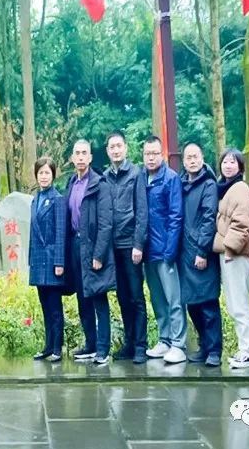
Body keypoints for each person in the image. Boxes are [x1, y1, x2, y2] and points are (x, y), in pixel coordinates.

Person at [66, 140, 114, 364]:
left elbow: (106, 223)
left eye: (84, 153)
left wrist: (99, 254)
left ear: (91, 157)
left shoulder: (99, 184)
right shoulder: (71, 183)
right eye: (77, 153)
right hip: (76, 246)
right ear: (72, 158)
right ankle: (90, 344)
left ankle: (103, 348)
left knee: (98, 297)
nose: (81, 157)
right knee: (82, 297)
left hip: (93, 247)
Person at [103, 131, 149, 364]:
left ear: (126, 148)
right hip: (113, 247)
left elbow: (142, 211)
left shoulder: (136, 173)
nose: (116, 150)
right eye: (112, 147)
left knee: (136, 296)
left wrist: (138, 244)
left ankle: (141, 345)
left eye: (119, 146)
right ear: (107, 151)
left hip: (131, 244)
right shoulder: (105, 177)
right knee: (122, 296)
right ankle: (129, 343)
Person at [141, 136, 186, 364]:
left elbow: (176, 217)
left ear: (162, 154)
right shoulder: (141, 178)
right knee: (157, 299)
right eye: (147, 153)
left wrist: (170, 251)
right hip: (147, 251)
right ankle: (164, 339)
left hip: (166, 252)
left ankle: (178, 344)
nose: (151, 157)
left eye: (155, 153)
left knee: (173, 299)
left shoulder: (170, 178)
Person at [178, 142, 222, 367]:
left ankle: (214, 350)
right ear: (184, 161)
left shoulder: (208, 184)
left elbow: (208, 218)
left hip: (201, 252)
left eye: (196, 156)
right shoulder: (181, 184)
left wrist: (202, 250)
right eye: (188, 157)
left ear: (202, 158)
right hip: (184, 252)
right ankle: (204, 346)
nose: (192, 160)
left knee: (207, 303)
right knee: (192, 303)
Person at [213, 148, 249, 369]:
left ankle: (247, 352)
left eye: (232, 162)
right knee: (233, 303)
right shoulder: (225, 187)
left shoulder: (239, 188)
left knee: (239, 303)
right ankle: (243, 349)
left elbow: (243, 223)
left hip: (235, 254)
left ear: (240, 166)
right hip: (227, 253)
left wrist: (229, 249)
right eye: (225, 162)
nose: (228, 165)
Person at [27, 157, 67, 362]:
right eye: (40, 173)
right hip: (38, 260)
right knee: (44, 306)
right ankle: (48, 346)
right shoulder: (35, 200)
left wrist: (59, 262)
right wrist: (30, 259)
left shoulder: (58, 199)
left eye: (47, 173)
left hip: (52, 260)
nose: (44, 176)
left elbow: (61, 233)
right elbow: (32, 233)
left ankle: (57, 348)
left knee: (55, 308)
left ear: (53, 175)